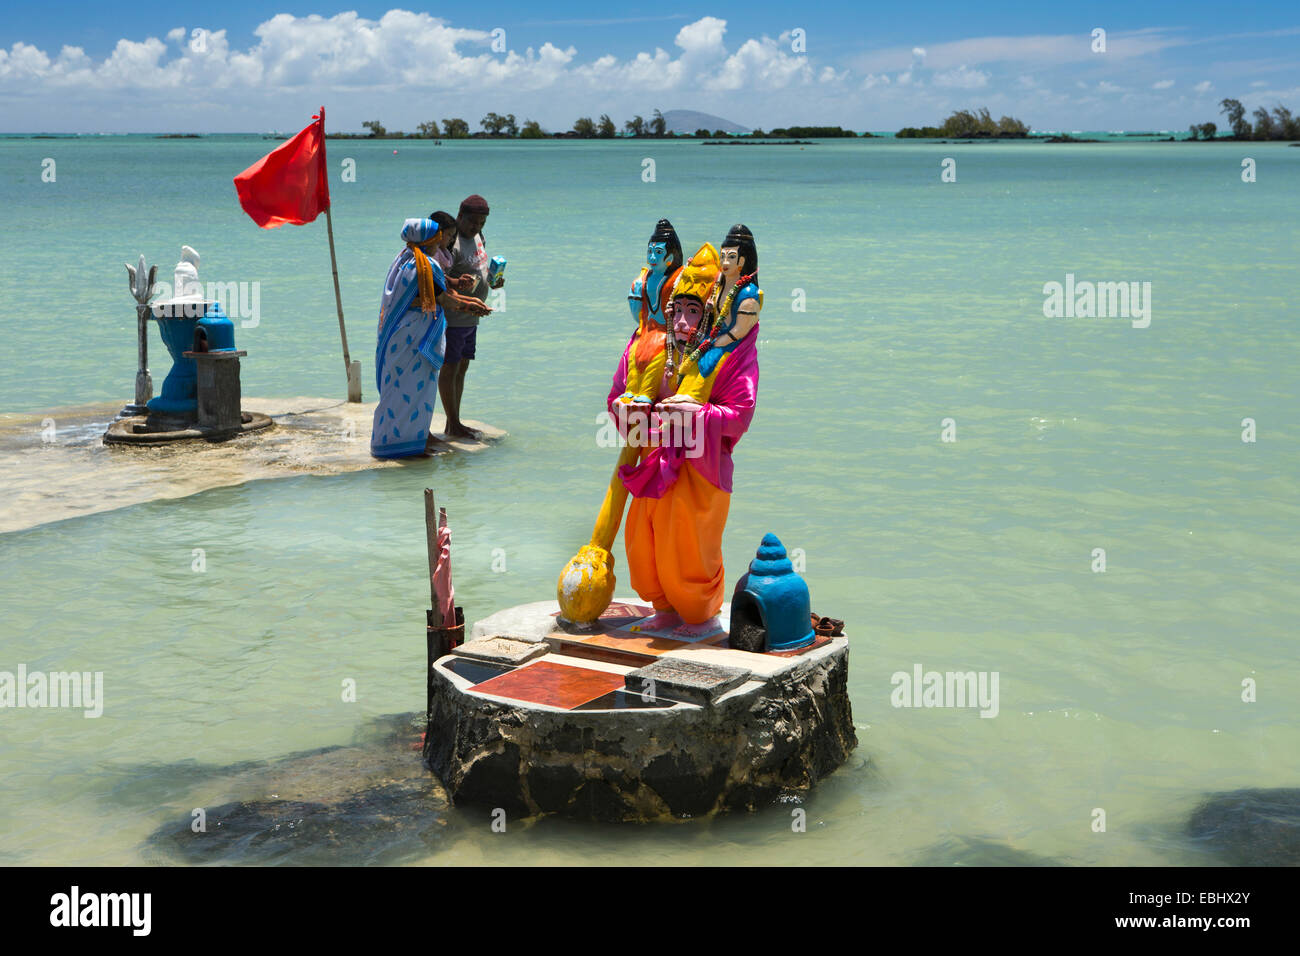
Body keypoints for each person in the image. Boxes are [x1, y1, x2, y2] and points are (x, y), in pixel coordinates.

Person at [613, 232, 761, 635]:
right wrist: (623, 409)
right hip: (651, 466)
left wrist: (700, 413)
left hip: (700, 469)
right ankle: (663, 607)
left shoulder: (730, 357)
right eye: (675, 309)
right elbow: (619, 398)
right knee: (643, 544)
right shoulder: (648, 349)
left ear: (709, 315)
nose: (680, 321)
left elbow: (740, 414)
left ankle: (699, 614)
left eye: (692, 312)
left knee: (690, 547)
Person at [370, 217, 490, 459]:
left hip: (398, 337)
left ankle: (396, 442)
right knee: (418, 389)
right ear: (427, 240)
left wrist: (468, 302)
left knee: (397, 388)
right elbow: (442, 299)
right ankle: (412, 444)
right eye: (437, 238)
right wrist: (471, 306)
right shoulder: (425, 266)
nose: (441, 242)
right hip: (414, 338)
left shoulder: (403, 259)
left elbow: (430, 295)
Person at [438, 194, 497, 439]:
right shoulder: (452, 244)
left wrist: (493, 280)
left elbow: (479, 268)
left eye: (482, 223)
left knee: (462, 367)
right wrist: (464, 302)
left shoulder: (478, 237)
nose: (477, 227)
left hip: (473, 317)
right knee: (450, 368)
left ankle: (456, 421)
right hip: (454, 318)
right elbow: (441, 283)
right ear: (460, 216)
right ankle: (451, 423)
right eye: (473, 222)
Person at [618, 218, 684, 405]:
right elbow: (637, 312)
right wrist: (635, 293)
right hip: (647, 329)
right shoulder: (644, 278)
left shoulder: (677, 278)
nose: (652, 258)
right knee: (635, 354)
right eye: (650, 252)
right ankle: (631, 388)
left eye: (658, 253)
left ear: (670, 258)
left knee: (657, 353)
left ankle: (648, 391)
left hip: (665, 331)